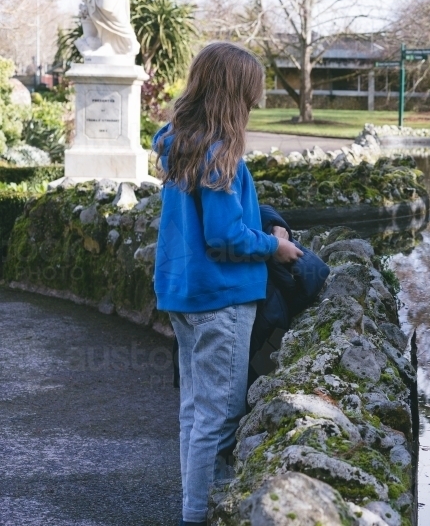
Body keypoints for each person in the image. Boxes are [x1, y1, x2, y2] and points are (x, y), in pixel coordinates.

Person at [153, 42, 302, 526]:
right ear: (234, 96)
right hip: (221, 299)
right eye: (252, 97)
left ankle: (196, 505)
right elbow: (224, 235)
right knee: (218, 418)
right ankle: (196, 515)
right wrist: (273, 246)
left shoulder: (179, 143)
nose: (256, 105)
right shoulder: (222, 155)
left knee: (195, 412)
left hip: (184, 294)